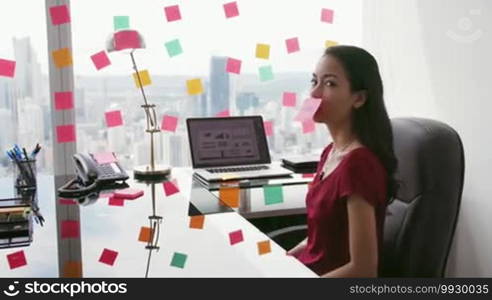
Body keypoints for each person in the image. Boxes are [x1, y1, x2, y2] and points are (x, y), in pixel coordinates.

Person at [287, 45, 398, 277]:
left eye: (329, 84)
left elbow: (363, 270)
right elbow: (321, 236)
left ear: (358, 98)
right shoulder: (330, 152)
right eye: (314, 81)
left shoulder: (359, 165)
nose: (314, 94)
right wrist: (286, 259)